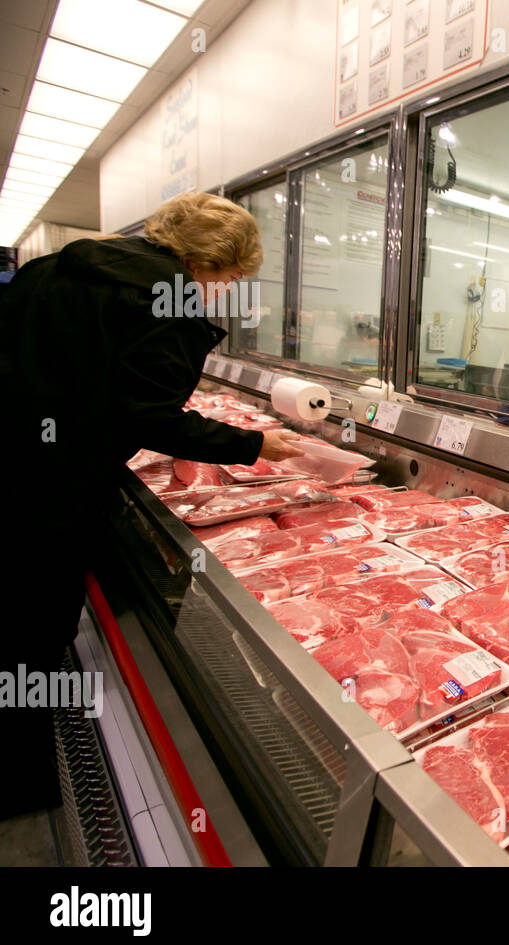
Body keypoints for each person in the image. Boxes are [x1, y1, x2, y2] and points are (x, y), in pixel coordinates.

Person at [0, 192, 301, 820]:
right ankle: (20, 784)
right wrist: (253, 443)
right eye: (232, 279)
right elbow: (146, 415)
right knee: (32, 630)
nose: (226, 292)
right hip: (53, 489)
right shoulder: (169, 300)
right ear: (211, 263)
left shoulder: (55, 268)